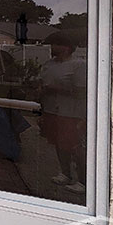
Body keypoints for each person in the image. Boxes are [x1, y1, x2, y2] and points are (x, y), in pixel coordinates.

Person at [39, 31, 87, 194]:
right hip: (52, 110)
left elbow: (82, 91)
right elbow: (43, 83)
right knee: (59, 144)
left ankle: (83, 180)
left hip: (71, 112)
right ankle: (65, 173)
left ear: (66, 47)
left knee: (74, 146)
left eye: (55, 44)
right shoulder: (49, 64)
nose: (52, 48)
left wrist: (56, 88)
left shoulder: (78, 65)